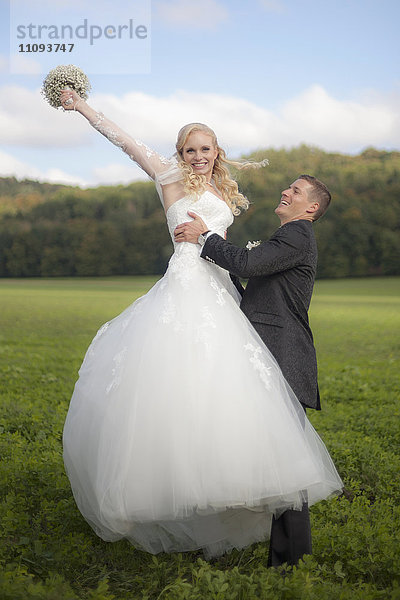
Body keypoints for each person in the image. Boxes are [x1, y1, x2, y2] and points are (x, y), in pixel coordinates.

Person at [60, 88, 343, 560]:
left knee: (231, 394)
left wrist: (223, 249)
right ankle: (172, 487)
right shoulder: (168, 175)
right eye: (189, 149)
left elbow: (234, 254)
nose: (196, 157)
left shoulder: (225, 193)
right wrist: (83, 106)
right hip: (187, 283)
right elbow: (125, 140)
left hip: (224, 292)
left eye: (204, 149)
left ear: (216, 153)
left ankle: (233, 488)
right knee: (179, 388)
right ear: (179, 153)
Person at [174, 175, 332, 565]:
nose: (286, 192)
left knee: (289, 461)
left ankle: (293, 563)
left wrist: (204, 235)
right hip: (265, 352)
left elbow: (247, 262)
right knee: (269, 454)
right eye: (289, 187)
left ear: (311, 207)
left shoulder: (298, 236)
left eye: (296, 191)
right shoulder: (289, 237)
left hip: (283, 354)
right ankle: (280, 555)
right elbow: (252, 277)